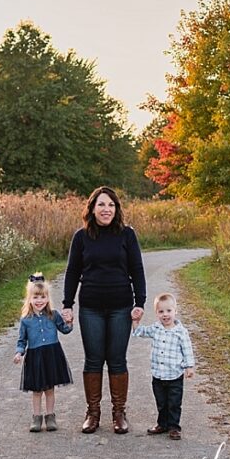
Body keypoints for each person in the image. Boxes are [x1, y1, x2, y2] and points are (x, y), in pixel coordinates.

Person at [62, 186, 146, 434]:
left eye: (111, 205)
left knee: (117, 359)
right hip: (91, 308)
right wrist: (68, 304)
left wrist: (139, 302)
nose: (106, 209)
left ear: (116, 209)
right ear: (92, 208)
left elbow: (137, 270)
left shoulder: (127, 235)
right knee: (94, 359)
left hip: (121, 306)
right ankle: (93, 413)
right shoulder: (81, 237)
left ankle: (119, 413)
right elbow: (72, 272)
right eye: (101, 204)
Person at [131, 292, 195, 440]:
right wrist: (136, 321)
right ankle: (162, 424)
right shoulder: (156, 328)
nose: (165, 315)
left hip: (174, 375)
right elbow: (141, 332)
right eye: (161, 312)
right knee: (161, 402)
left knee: (173, 403)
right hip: (158, 374)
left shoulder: (181, 332)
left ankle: (174, 427)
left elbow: (187, 350)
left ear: (175, 311)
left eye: (168, 311)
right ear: (156, 313)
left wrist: (189, 367)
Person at [14, 273, 74, 432]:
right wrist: (19, 352)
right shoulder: (26, 319)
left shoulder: (53, 315)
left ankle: (50, 416)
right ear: (29, 299)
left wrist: (69, 322)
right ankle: (36, 417)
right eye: (35, 297)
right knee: (36, 390)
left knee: (49, 389)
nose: (39, 300)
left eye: (42, 297)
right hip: (35, 357)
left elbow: (65, 330)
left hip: (51, 355)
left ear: (47, 298)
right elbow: (22, 340)